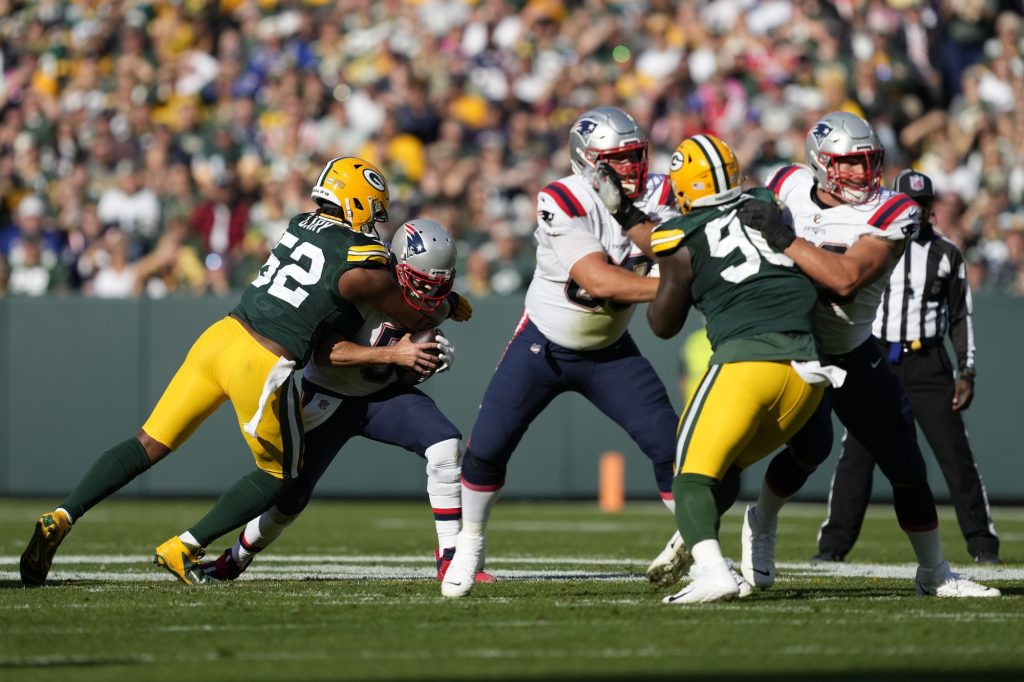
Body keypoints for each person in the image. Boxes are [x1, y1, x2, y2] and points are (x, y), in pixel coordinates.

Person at [20, 158, 471, 587]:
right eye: (373, 210)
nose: (375, 222)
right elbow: (414, 315)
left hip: (221, 336)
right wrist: (450, 303)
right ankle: (185, 546)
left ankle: (63, 515)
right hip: (262, 361)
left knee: (149, 442)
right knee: (281, 476)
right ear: (356, 203)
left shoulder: (298, 223)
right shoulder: (364, 264)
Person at [740, 112, 999, 598]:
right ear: (820, 164)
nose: (863, 174)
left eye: (869, 162)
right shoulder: (788, 183)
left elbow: (845, 279)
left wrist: (782, 237)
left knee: (906, 463)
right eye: (850, 164)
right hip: (791, 346)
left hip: (851, 349)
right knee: (804, 449)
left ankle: (933, 571)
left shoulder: (893, 210)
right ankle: (756, 525)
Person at [440, 106, 685, 597]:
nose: (631, 168)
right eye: (617, 159)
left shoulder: (662, 194)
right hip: (543, 345)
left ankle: (701, 550)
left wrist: (680, 270)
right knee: (487, 447)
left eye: (635, 155)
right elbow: (597, 278)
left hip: (611, 350)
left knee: (672, 449)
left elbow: (687, 253)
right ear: (587, 162)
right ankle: (470, 544)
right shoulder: (562, 197)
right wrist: (673, 284)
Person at [198, 219, 494, 584]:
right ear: (398, 268)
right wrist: (395, 357)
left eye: (439, 284)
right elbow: (324, 353)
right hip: (327, 396)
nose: (429, 294)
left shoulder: (437, 304)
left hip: (382, 396)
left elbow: (427, 322)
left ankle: (450, 558)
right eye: (421, 283)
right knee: (288, 499)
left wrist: (425, 361)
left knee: (446, 446)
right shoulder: (363, 283)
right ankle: (234, 559)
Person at [645, 133, 844, 604]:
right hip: (808, 373)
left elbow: (662, 325)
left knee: (691, 476)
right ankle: (692, 540)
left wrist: (668, 270)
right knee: (727, 466)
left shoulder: (677, 236)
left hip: (747, 362)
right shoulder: (765, 201)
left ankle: (714, 570)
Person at [815, 169, 1000, 565]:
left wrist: (966, 371)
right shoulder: (872, 240)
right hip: (878, 356)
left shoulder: (946, 253)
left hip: (928, 363)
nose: (916, 211)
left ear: (931, 209)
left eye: (923, 204)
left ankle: (983, 546)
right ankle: (831, 548)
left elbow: (960, 316)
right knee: (856, 458)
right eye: (909, 203)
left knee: (955, 455)